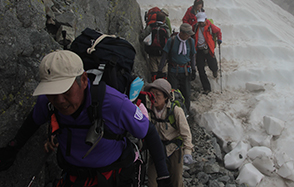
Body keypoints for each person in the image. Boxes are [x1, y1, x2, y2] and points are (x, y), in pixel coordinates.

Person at [0, 50, 173, 187]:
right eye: (53, 93)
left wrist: (163, 174)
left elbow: (148, 131)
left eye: (66, 91)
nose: (59, 101)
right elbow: (32, 122)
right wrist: (12, 148)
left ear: (83, 81)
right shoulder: (47, 101)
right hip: (73, 176)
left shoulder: (114, 104)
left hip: (111, 177)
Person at [143, 79, 194, 187]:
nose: (154, 97)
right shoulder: (148, 109)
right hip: (156, 149)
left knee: (176, 181)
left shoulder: (175, 111)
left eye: (158, 95)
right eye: (152, 94)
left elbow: (185, 132)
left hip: (173, 149)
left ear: (166, 97)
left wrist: (187, 151)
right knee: (152, 183)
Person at [157, 23, 196, 111]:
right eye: (187, 34)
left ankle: (186, 113)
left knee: (187, 94)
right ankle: (174, 112)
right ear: (181, 33)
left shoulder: (190, 41)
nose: (189, 36)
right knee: (173, 93)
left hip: (186, 71)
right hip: (173, 71)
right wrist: (160, 70)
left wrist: (193, 69)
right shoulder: (172, 41)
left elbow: (193, 55)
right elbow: (164, 56)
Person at [193, 12, 222, 94]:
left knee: (212, 63)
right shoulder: (195, 27)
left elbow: (218, 31)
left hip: (208, 48)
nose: (201, 23)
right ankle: (207, 88)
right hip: (199, 50)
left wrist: (219, 39)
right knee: (200, 69)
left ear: (205, 20)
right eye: (200, 22)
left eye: (202, 21)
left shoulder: (210, 26)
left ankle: (215, 70)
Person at [140, 12, 171, 82]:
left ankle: (154, 83)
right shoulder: (166, 28)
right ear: (164, 20)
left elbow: (143, 36)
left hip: (152, 52)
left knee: (154, 70)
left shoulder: (151, 26)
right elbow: (169, 38)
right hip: (163, 53)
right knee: (163, 70)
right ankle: (162, 85)